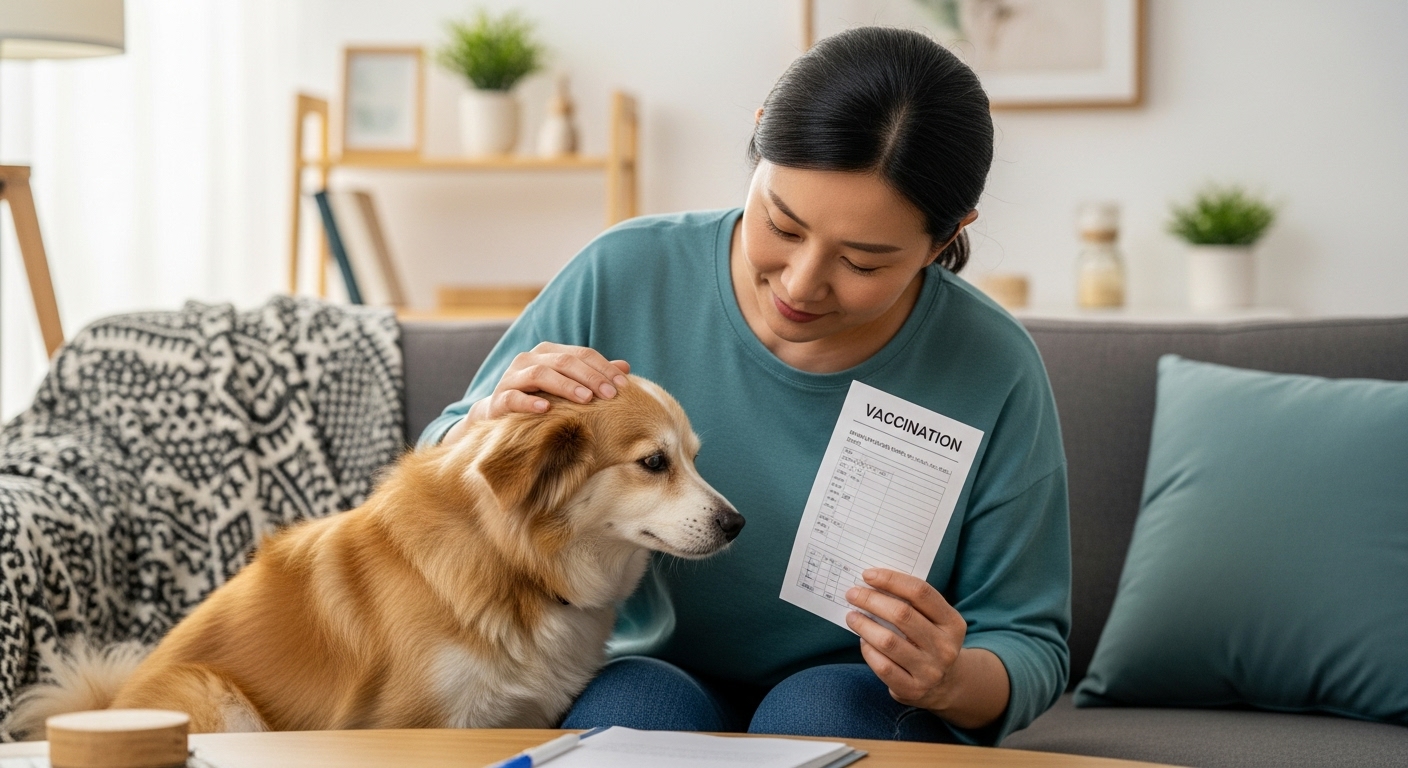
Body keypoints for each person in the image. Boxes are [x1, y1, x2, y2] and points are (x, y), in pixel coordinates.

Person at [420, 27, 1069, 746]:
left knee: (820, 715)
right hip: (639, 664)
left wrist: (951, 679)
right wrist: (490, 418)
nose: (800, 284)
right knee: (636, 710)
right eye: (782, 226)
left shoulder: (992, 364)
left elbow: (1029, 639)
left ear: (947, 237)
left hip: (858, 690)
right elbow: (438, 467)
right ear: (760, 142)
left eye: (862, 261)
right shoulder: (626, 271)